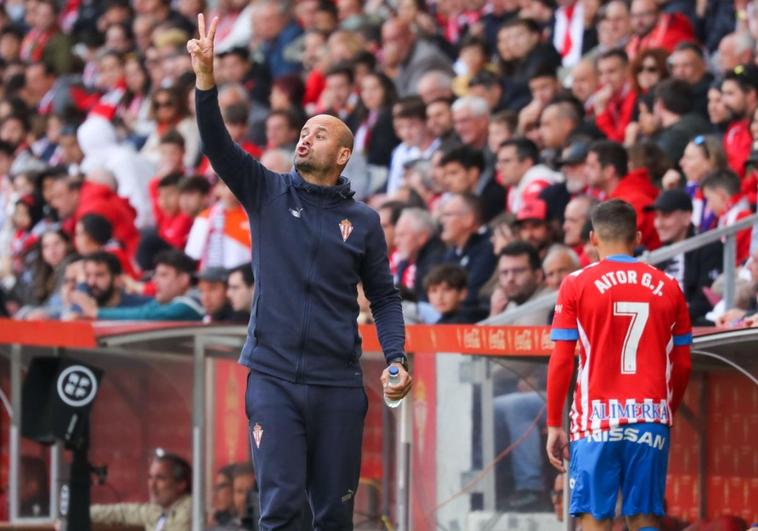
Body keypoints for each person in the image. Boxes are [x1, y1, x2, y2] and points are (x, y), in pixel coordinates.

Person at [188, 15, 410, 529]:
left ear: (344, 154)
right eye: (304, 130)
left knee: (333, 516)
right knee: (282, 507)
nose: (306, 137)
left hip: (338, 383)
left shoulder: (364, 221)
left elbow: (384, 297)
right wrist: (205, 78)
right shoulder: (266, 192)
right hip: (273, 377)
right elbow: (218, 145)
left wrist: (395, 357)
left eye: (321, 132)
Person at [546, 199, 692, 529]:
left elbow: (561, 360)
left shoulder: (576, 283)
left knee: (595, 518)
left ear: (593, 238)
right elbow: (682, 364)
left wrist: (554, 423)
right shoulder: (669, 286)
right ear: (637, 238)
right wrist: (667, 410)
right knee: (643, 516)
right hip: (650, 414)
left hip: (595, 419)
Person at [648, 189, 723, 322]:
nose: (658, 224)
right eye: (656, 216)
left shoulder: (709, 247)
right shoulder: (659, 255)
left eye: (665, 216)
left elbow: (707, 301)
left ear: (687, 217)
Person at [87, 249, 203, 321]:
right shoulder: (165, 301)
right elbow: (143, 311)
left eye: (163, 275)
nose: (156, 281)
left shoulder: (189, 304)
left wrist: (97, 312)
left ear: (183, 280)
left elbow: (145, 316)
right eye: (155, 275)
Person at [90, 451, 192, 531]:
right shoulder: (156, 509)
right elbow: (121, 512)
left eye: (160, 478)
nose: (152, 485)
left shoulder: (190, 511)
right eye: (150, 477)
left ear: (181, 485)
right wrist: (79, 512)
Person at [423, 263, 487, 324]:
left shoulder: (470, 320)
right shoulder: (438, 323)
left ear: (462, 293)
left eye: (446, 290)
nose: (439, 297)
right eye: (434, 291)